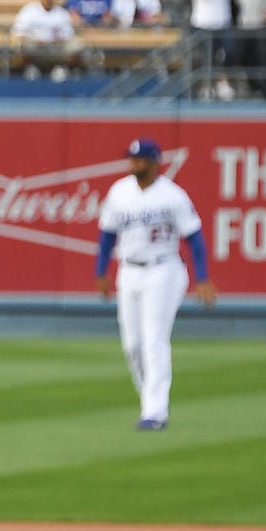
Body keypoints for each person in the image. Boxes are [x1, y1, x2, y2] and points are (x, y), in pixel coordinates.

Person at [94, 138, 218, 430]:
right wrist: (101, 272)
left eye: (140, 159)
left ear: (154, 162)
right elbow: (107, 235)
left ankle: (155, 412)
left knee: (154, 340)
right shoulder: (119, 192)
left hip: (163, 270)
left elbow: (195, 238)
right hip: (129, 270)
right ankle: (149, 399)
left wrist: (203, 277)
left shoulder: (172, 195)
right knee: (132, 345)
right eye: (132, 159)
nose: (134, 164)